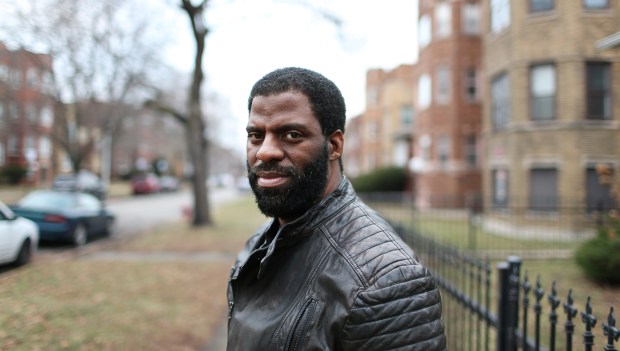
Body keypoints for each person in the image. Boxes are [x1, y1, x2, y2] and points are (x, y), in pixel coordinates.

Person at [227, 67, 446, 350]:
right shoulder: (259, 243)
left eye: (292, 134)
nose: (265, 151)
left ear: (334, 145)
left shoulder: (383, 282)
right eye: (256, 135)